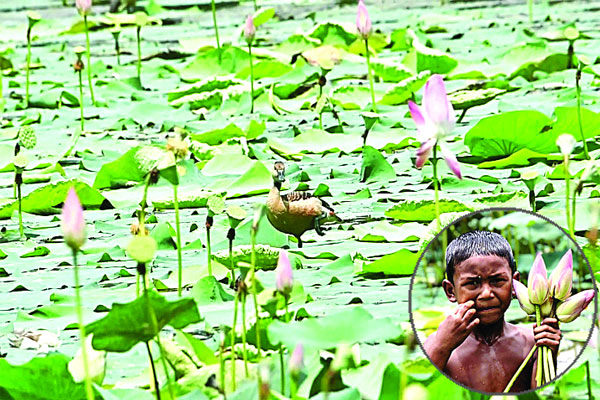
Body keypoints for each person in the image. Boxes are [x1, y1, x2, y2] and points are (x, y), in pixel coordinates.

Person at [423, 231, 561, 392]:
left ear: (514, 285)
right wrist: (442, 347)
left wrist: (550, 351)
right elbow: (416, 391)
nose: (487, 293)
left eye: (497, 281)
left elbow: (543, 395)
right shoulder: (438, 344)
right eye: (473, 283)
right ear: (450, 291)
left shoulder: (534, 341)